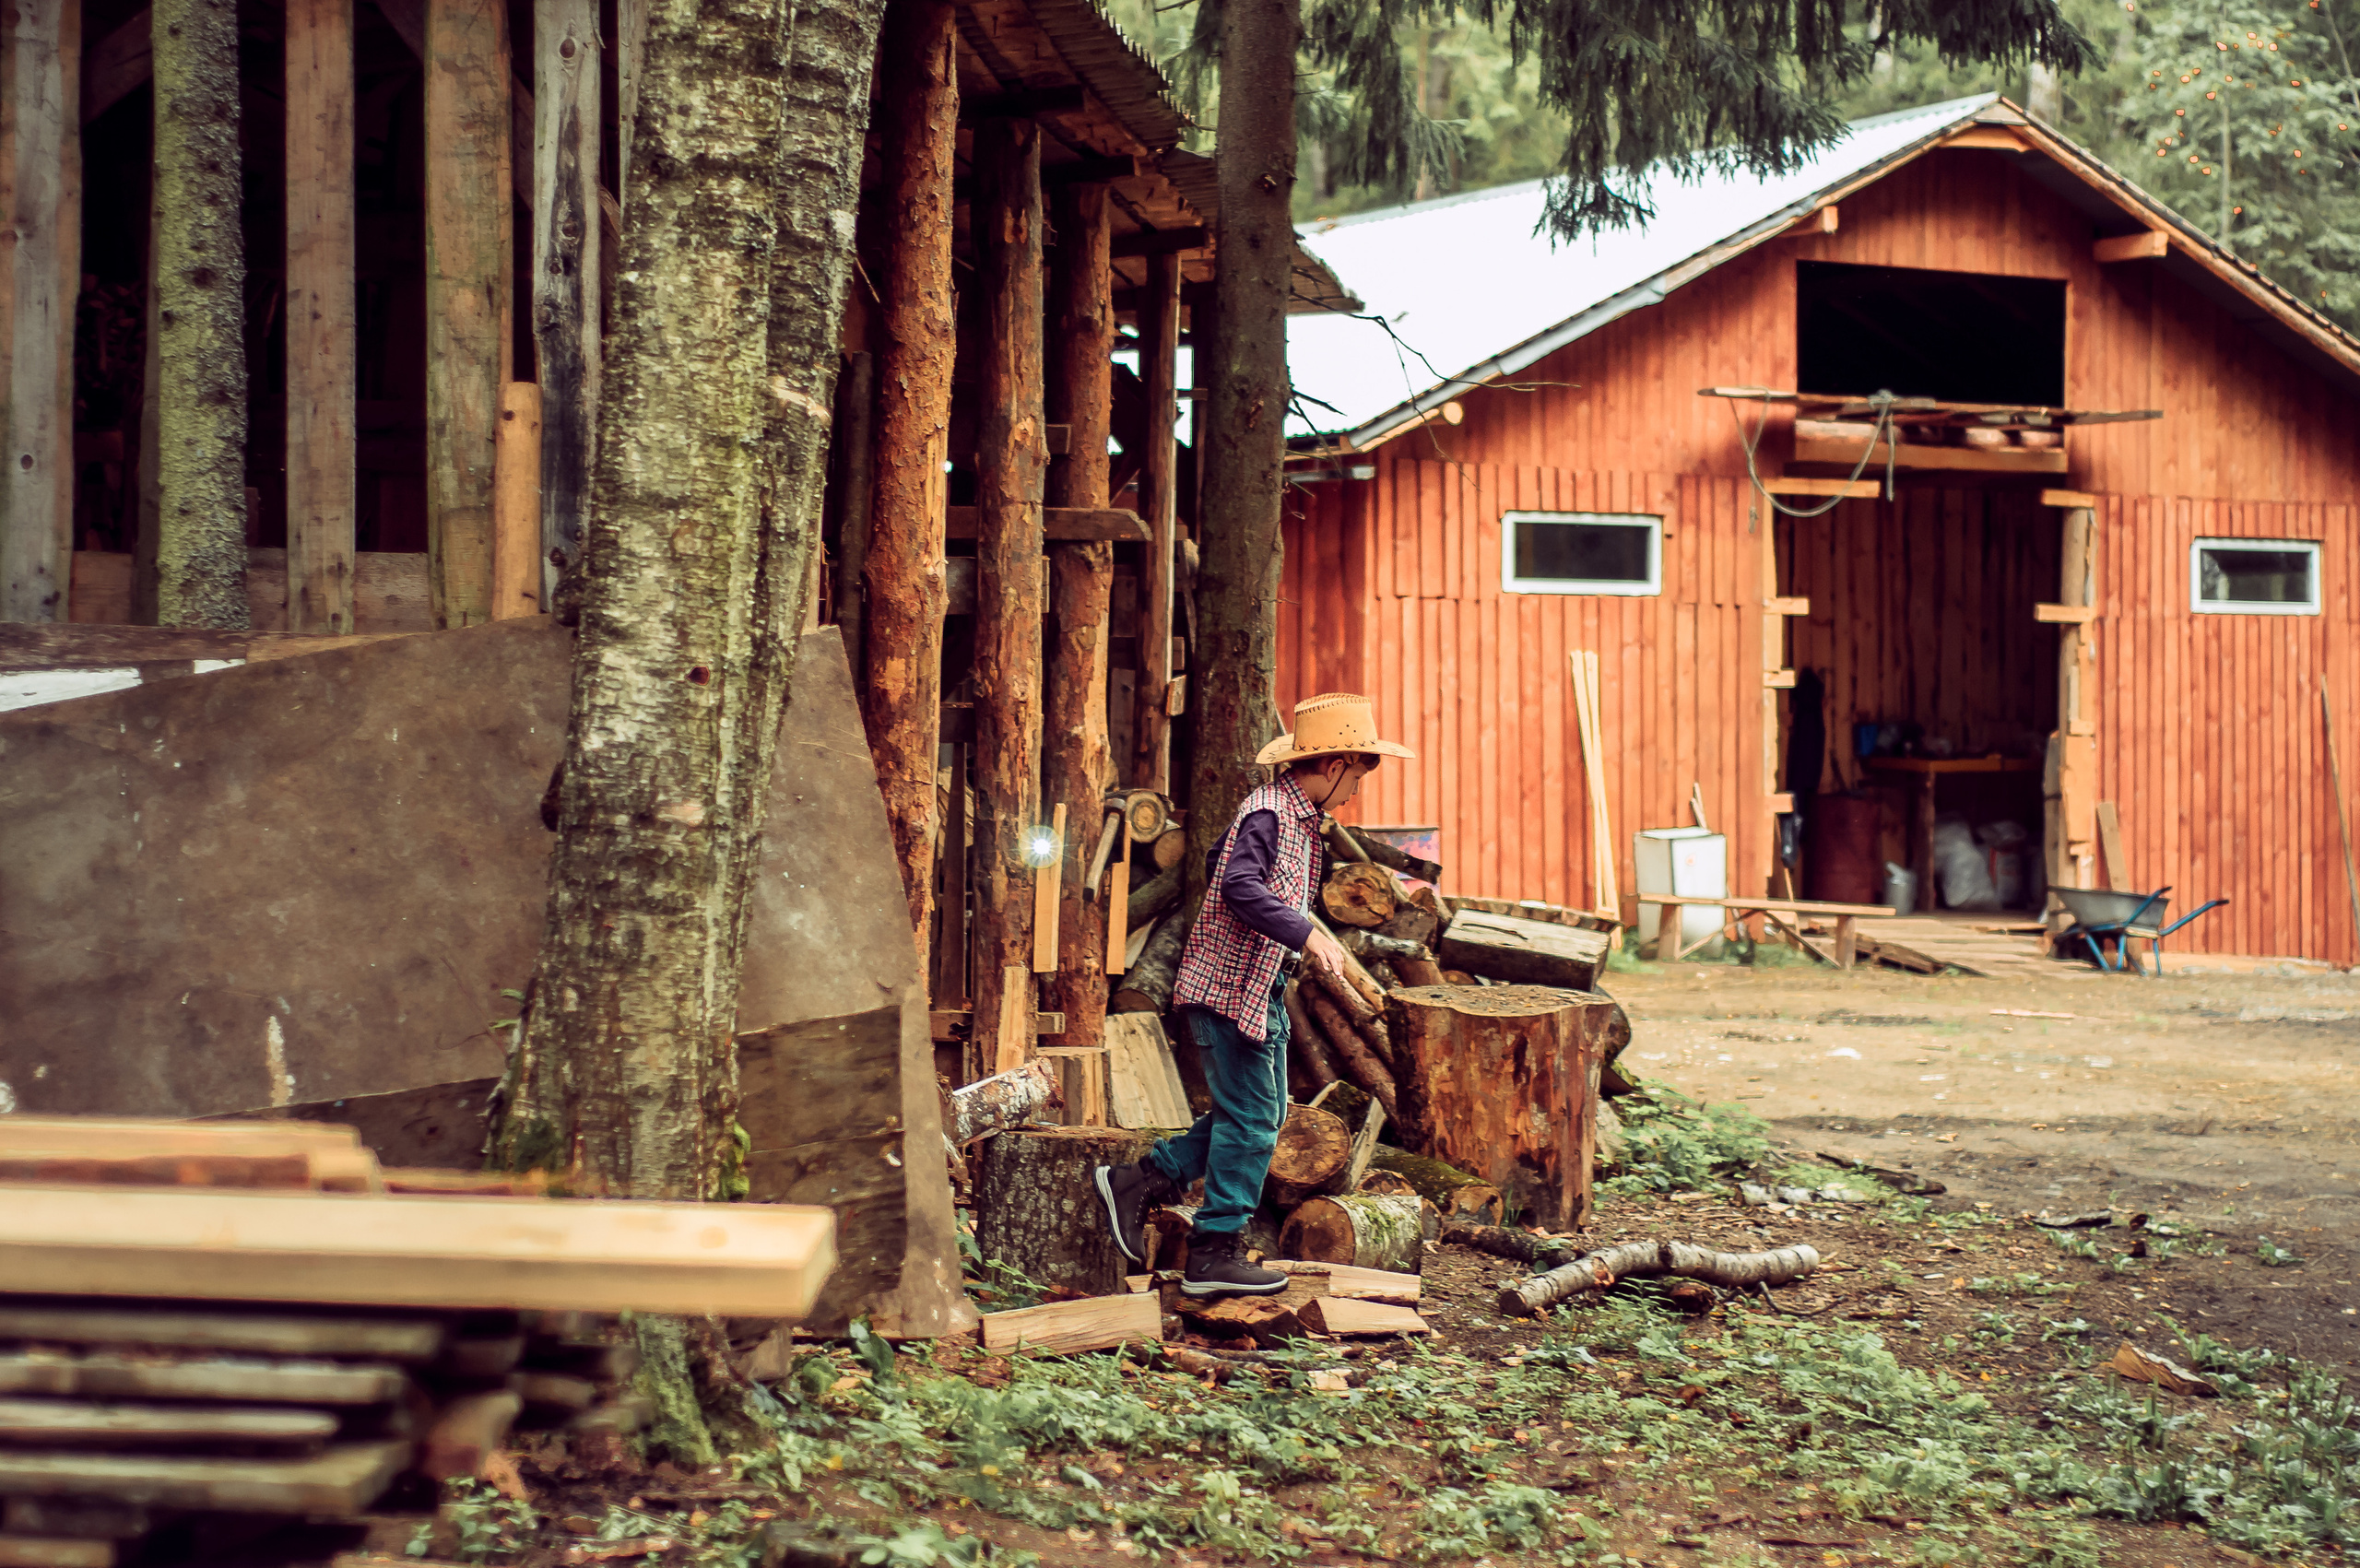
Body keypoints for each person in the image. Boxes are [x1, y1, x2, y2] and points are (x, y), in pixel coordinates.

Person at [1092, 693, 1414, 1297]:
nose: (1357, 789)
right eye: (1359, 773)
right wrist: (1305, 934)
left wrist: (1294, 928)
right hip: (1223, 991)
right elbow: (1236, 882)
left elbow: (1220, 861)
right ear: (1336, 760)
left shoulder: (1291, 818)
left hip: (1254, 989)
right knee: (1251, 1122)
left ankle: (1141, 1180)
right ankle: (1213, 1253)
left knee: (1261, 1115)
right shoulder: (1269, 812)